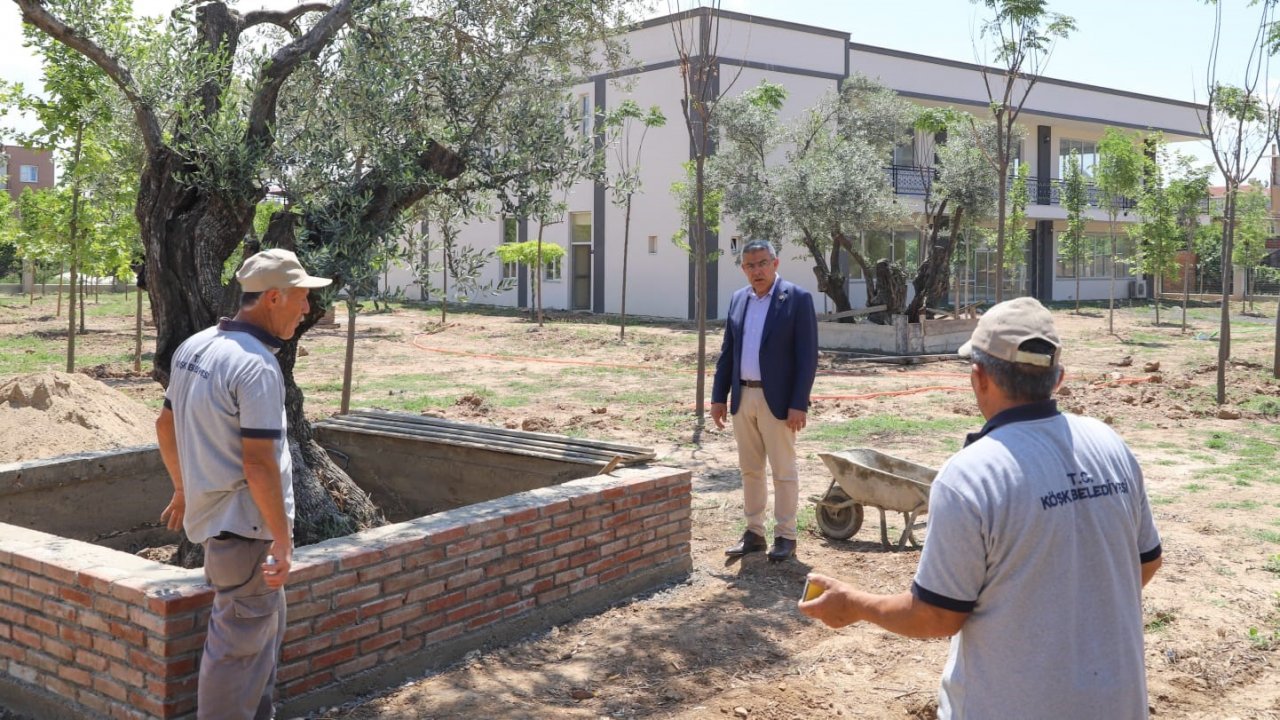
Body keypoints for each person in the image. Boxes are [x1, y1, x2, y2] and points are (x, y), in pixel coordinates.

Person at [799, 297, 1163, 720]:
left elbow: (936, 616)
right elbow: (1147, 563)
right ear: (1058, 378)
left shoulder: (971, 476)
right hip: (1116, 704)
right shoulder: (1109, 444)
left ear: (979, 377)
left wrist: (855, 604)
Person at [155, 248, 331, 720]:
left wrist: (183, 487)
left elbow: (164, 427)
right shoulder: (255, 365)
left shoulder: (195, 346)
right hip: (249, 535)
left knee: (257, 646)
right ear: (273, 297)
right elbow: (258, 463)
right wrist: (283, 538)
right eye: (301, 297)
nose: (308, 309)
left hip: (225, 532)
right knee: (236, 654)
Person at [711, 239, 818, 562]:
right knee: (750, 470)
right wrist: (719, 397)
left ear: (776, 263)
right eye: (750, 265)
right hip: (743, 397)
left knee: (783, 470)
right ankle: (754, 533)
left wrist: (799, 402)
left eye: (762, 263)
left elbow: (807, 356)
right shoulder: (737, 301)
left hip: (780, 402)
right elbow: (727, 353)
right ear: (743, 269)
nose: (756, 270)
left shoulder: (797, 299)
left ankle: (785, 535)